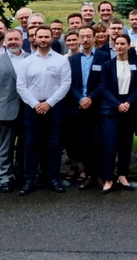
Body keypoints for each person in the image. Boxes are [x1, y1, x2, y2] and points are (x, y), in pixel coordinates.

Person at [15, 27, 71, 195]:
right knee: (31, 144)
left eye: (47, 36)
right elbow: (21, 86)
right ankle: (30, 179)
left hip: (54, 107)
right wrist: (34, 104)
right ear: (35, 39)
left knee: (54, 143)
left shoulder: (61, 60)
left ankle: (53, 178)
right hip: (32, 108)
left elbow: (65, 84)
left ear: (52, 39)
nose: (44, 39)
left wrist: (49, 103)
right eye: (40, 36)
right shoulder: (27, 61)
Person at [66, 25, 109, 190]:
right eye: (81, 36)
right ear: (78, 39)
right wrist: (80, 98)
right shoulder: (72, 59)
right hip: (78, 107)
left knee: (97, 142)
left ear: (93, 38)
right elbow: (68, 83)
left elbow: (105, 82)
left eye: (88, 36)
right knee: (82, 143)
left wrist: (90, 97)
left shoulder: (104, 57)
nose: (85, 39)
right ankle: (89, 175)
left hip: (96, 107)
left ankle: (100, 175)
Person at [100, 34, 137, 194]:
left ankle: (123, 175)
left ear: (129, 45)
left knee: (126, 145)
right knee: (110, 145)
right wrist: (117, 104)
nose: (119, 46)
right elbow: (104, 87)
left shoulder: (136, 65)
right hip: (112, 109)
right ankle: (109, 179)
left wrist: (128, 103)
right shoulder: (107, 65)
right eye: (116, 43)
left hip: (129, 108)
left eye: (122, 43)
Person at [0, 30, 28, 193]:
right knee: (5, 147)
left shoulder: (31, 58)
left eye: (16, 39)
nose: (13, 42)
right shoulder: (0, 60)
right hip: (5, 110)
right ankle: (5, 177)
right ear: (4, 41)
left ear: (22, 40)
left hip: (28, 110)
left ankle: (25, 175)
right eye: (9, 39)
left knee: (26, 145)